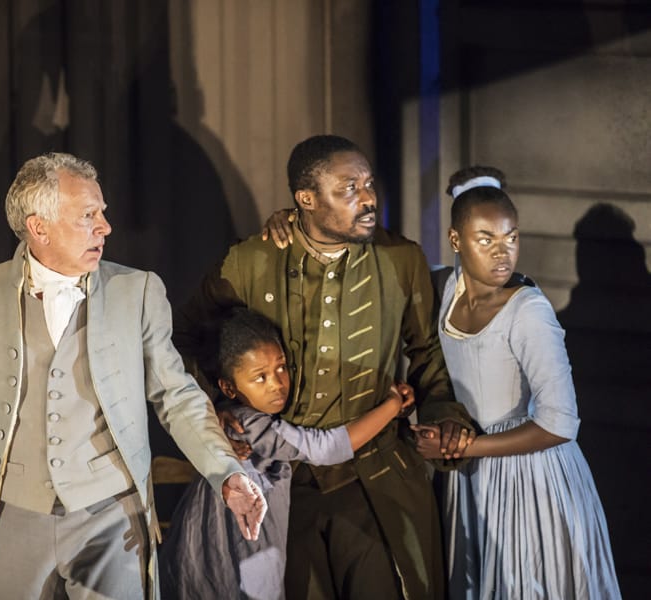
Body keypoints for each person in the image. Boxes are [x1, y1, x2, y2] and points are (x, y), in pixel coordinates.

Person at [0, 152, 268, 600]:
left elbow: (177, 396)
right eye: (88, 215)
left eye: (102, 213)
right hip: (12, 517)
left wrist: (228, 472)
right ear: (38, 227)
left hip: (112, 519)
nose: (105, 227)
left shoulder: (138, 291)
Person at [175, 134, 474, 599]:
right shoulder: (252, 261)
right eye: (349, 188)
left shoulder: (402, 259)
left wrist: (442, 416)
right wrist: (216, 408)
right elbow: (185, 337)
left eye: (369, 184)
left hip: (372, 473)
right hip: (281, 479)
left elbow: (426, 352)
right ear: (306, 199)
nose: (368, 198)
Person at [410, 166, 621, 599]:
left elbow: (560, 423)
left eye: (511, 237)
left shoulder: (528, 312)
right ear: (456, 241)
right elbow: (384, 263)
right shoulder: (442, 287)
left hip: (526, 475)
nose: (502, 253)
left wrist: (466, 447)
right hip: (466, 479)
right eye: (485, 240)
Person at [159, 308, 415, 599]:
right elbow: (324, 447)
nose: (277, 384)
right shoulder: (248, 426)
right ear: (228, 387)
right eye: (261, 377)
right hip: (239, 554)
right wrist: (392, 405)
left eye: (281, 367)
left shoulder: (231, 415)